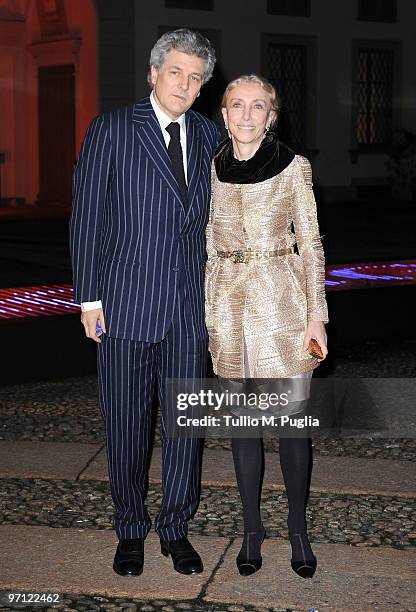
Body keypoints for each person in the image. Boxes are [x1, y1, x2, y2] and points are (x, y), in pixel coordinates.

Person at [70, 29, 221, 577]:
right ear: (154, 73)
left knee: (186, 429)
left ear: (203, 87)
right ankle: (130, 529)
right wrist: (88, 299)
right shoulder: (111, 130)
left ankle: (175, 528)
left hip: (189, 311)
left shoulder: (210, 136)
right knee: (127, 428)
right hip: (124, 307)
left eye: (195, 77)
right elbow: (87, 220)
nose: (184, 84)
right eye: (176, 71)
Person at [205, 74, 328, 578]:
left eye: (258, 106)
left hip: (283, 308)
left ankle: (297, 529)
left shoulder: (293, 166)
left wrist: (317, 315)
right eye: (238, 105)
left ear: (271, 116)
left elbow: (312, 245)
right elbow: (208, 240)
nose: (248, 114)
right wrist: (209, 305)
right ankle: (252, 529)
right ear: (225, 113)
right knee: (243, 428)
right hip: (229, 311)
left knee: (291, 429)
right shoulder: (210, 167)